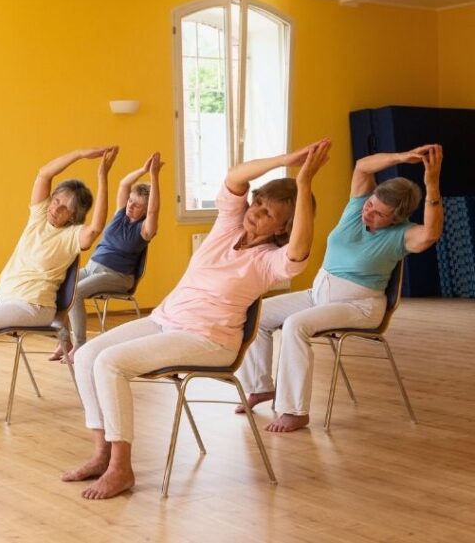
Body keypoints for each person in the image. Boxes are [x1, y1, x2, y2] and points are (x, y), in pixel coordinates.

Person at [65, 139, 331, 499]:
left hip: (209, 340)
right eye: (258, 203)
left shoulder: (271, 261)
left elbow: (300, 250)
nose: (255, 212)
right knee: (85, 356)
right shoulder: (228, 227)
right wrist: (287, 159)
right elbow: (236, 177)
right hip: (166, 319)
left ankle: (121, 468)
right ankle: (102, 454)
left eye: (268, 213)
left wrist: (304, 182)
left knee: (109, 363)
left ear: (283, 227)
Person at [235, 144, 443, 432]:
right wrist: (400, 157)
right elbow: (363, 165)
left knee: (295, 325)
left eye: (379, 214)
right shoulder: (357, 207)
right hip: (318, 296)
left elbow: (431, 233)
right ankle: (260, 387)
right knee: (255, 313)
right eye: (370, 204)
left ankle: (294, 411)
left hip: (359, 306)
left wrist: (431, 183)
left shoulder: (404, 235)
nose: (369, 213)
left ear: (396, 219)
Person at [0, 147, 118, 428]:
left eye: (64, 208)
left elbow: (97, 226)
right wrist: (79, 154)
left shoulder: (73, 236)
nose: (55, 208)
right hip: (1, 296)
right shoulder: (38, 218)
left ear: (73, 216)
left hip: (34, 305)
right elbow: (44, 173)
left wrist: (102, 175)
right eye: (56, 200)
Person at [50, 151, 164, 362]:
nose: (130, 206)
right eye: (130, 201)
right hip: (92, 268)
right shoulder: (121, 214)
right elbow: (123, 184)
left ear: (145, 210)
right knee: (58, 284)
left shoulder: (145, 229)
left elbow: (154, 211)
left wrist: (154, 176)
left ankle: (80, 345)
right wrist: (143, 170)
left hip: (118, 276)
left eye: (137, 205)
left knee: (75, 293)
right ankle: (64, 341)